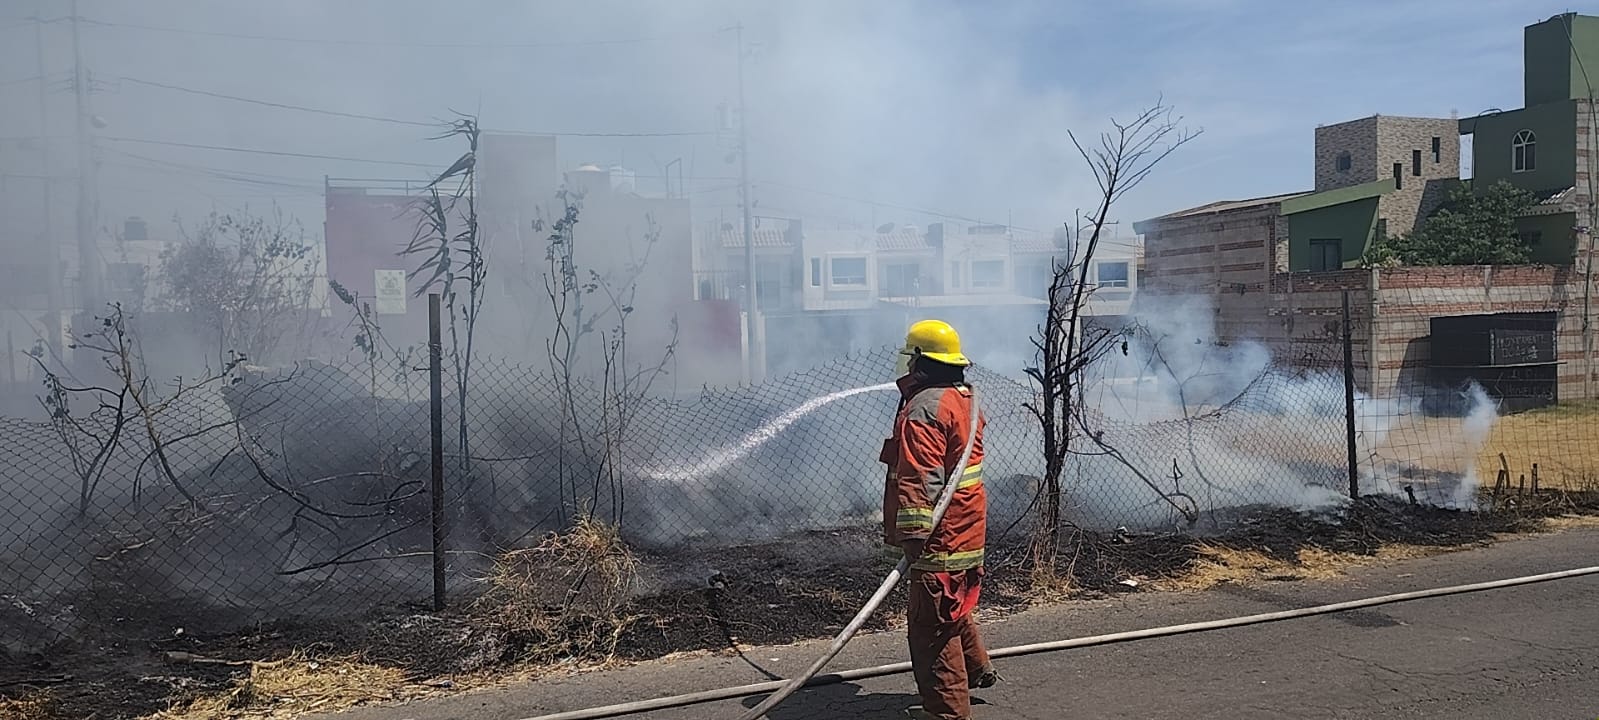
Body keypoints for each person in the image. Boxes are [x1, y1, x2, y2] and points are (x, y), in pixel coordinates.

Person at [879, 319, 1000, 720]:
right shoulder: (961, 399)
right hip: (965, 527)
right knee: (953, 604)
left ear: (919, 361)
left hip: (939, 536)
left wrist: (913, 536)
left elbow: (918, 475)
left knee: (932, 627)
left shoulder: (925, 408)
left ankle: (947, 713)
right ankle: (976, 668)